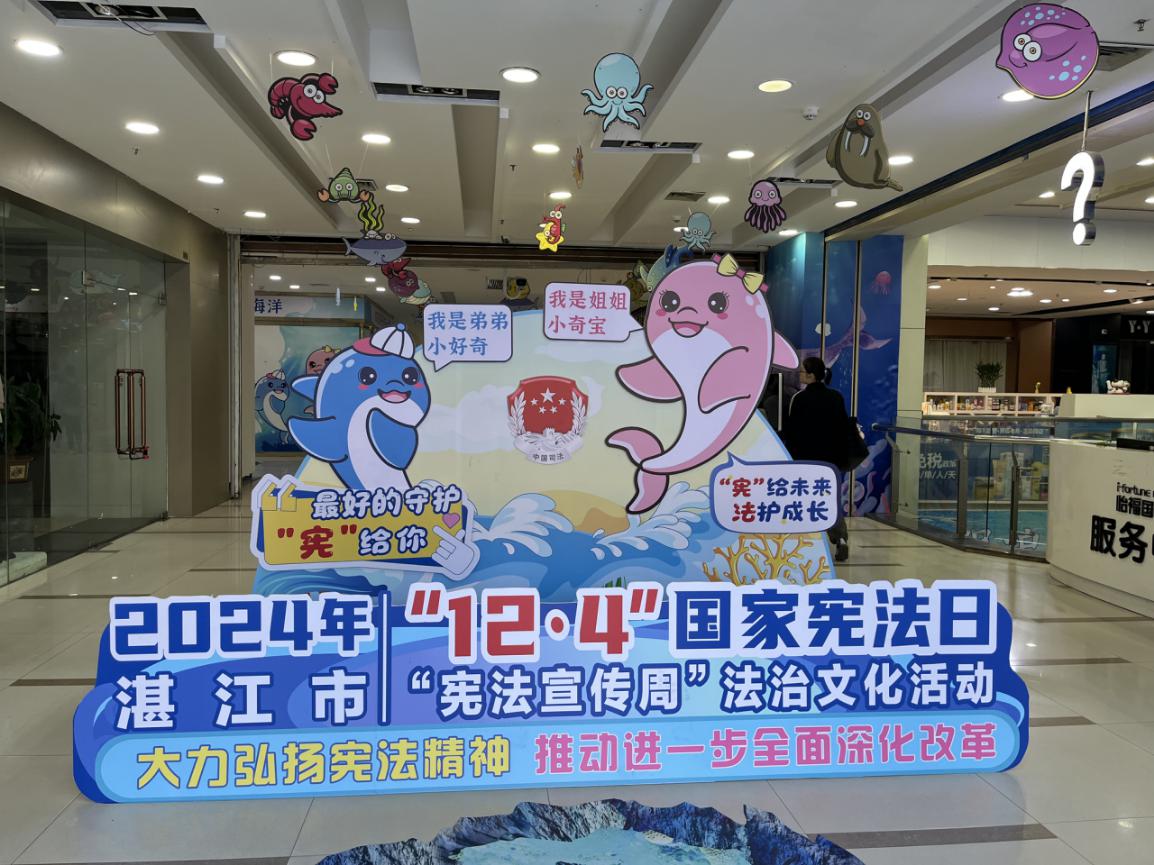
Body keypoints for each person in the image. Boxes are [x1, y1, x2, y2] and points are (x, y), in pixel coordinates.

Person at [783, 356, 851, 562]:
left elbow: (792, 432)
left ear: (811, 375)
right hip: (832, 461)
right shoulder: (836, 397)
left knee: (804, 500)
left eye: (802, 372)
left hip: (806, 460)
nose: (800, 375)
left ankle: (807, 543)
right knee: (831, 501)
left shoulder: (799, 399)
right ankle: (840, 540)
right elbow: (843, 428)